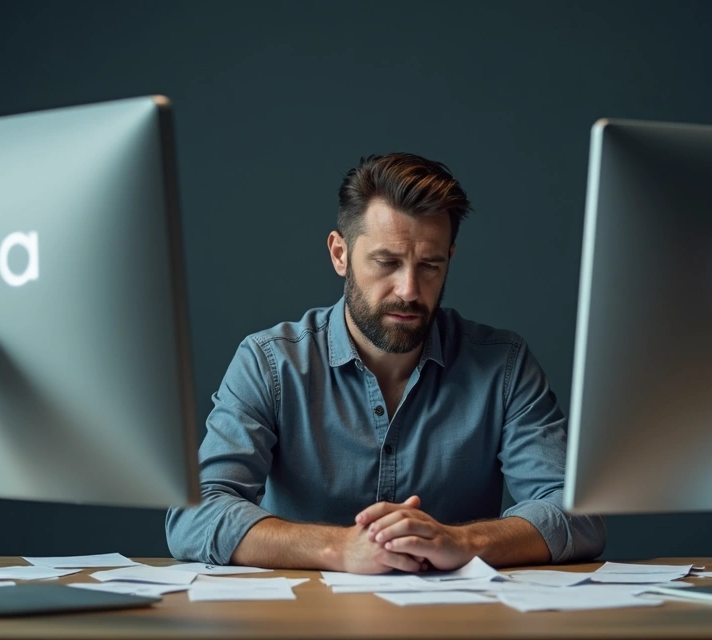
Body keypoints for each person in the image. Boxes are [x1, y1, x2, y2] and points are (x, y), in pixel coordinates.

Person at [166, 153, 605, 574]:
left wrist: (462, 542)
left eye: (429, 265)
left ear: (450, 258)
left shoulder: (504, 366)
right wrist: (341, 549)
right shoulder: (269, 363)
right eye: (387, 262)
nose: (409, 289)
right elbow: (195, 514)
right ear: (340, 254)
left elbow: (577, 513)